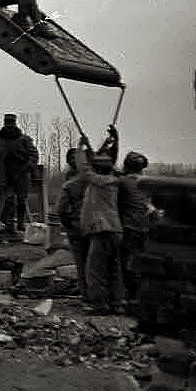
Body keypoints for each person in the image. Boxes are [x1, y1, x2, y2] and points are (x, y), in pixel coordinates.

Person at [76, 133, 126, 314]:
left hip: (101, 231)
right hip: (116, 230)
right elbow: (105, 161)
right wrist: (112, 142)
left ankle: (100, 305)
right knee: (114, 268)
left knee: (95, 269)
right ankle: (118, 303)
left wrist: (81, 148)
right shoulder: (114, 180)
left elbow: (83, 168)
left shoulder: (97, 181)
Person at [118, 150, 158, 301]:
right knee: (143, 261)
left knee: (128, 263)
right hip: (146, 226)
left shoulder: (123, 182)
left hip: (130, 227)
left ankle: (133, 294)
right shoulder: (147, 182)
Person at [55, 148, 91, 299]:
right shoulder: (94, 177)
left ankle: (87, 293)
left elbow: (61, 209)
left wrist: (68, 223)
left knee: (83, 262)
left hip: (78, 225)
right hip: (92, 225)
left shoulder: (73, 181)